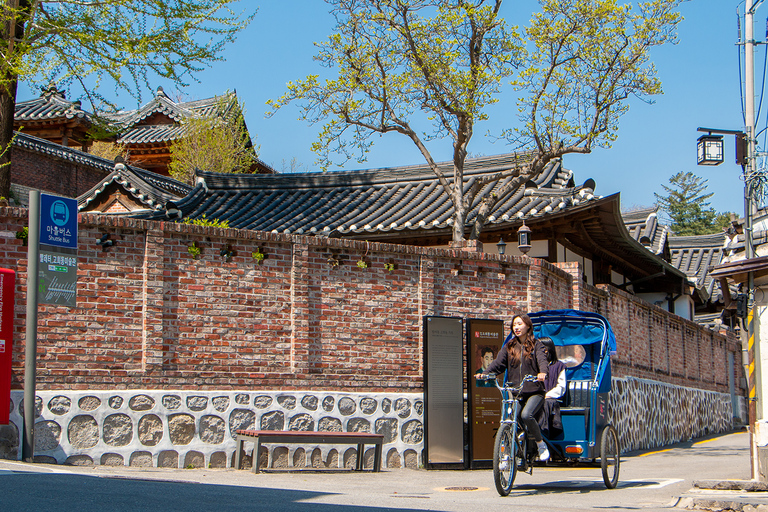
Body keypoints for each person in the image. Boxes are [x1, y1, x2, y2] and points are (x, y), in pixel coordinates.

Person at [476, 313, 550, 461]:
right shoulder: (509, 346)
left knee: (526, 415)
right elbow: (498, 363)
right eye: (514, 325)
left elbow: (542, 361)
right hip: (516, 391)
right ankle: (509, 454)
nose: (516, 327)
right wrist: (485, 373)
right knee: (510, 419)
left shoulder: (537, 345)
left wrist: (542, 372)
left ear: (528, 326)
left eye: (520, 324)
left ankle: (540, 444)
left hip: (535, 391)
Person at [537, 337, 566, 439]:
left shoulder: (559, 366)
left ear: (547, 350)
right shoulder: (535, 365)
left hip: (551, 398)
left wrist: (547, 395)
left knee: (546, 403)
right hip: (536, 396)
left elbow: (561, 387)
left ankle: (542, 433)